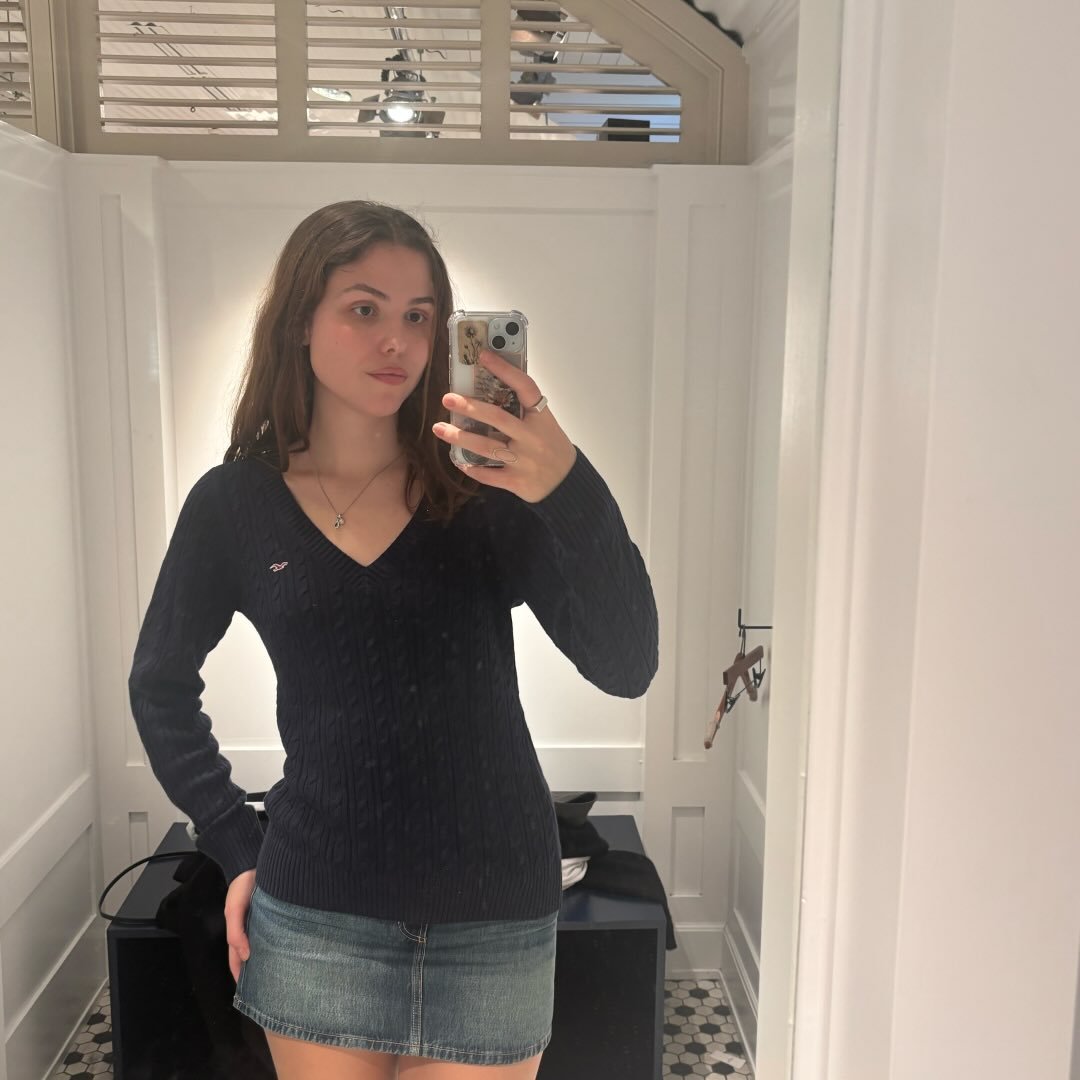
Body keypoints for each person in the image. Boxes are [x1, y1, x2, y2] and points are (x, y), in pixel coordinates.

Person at [128, 200, 659, 1080]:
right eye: (364, 308)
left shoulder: (484, 493)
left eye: (419, 316)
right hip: (317, 914)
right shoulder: (235, 504)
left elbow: (627, 662)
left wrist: (567, 483)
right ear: (300, 320)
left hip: (494, 915)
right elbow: (159, 685)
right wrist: (232, 841)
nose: (397, 341)